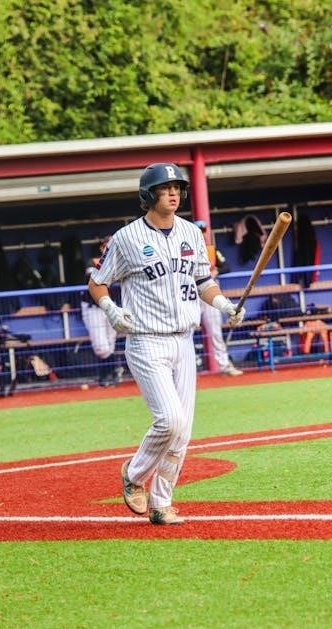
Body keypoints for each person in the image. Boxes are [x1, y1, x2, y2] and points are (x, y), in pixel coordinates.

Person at [88, 162, 245, 525]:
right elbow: (98, 282)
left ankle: (162, 503)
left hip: (184, 341)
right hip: (146, 341)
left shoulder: (191, 233)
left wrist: (224, 305)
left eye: (177, 187)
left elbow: (204, 282)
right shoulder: (127, 238)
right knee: (170, 420)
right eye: (165, 188)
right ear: (149, 194)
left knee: (182, 432)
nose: (174, 193)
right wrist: (111, 309)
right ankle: (133, 473)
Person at [195, 220, 243, 376]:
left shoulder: (212, 250)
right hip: (191, 297)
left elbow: (226, 266)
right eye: (199, 231)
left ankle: (225, 365)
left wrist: (216, 271)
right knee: (184, 332)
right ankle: (182, 369)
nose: (202, 234)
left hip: (210, 296)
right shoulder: (185, 250)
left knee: (215, 332)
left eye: (204, 231)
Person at [81, 237, 123, 387]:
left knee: (110, 343)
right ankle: (116, 367)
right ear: (101, 247)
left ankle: (105, 377)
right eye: (106, 245)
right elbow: (93, 278)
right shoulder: (92, 261)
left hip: (112, 305)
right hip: (93, 307)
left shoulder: (121, 262)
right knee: (101, 347)